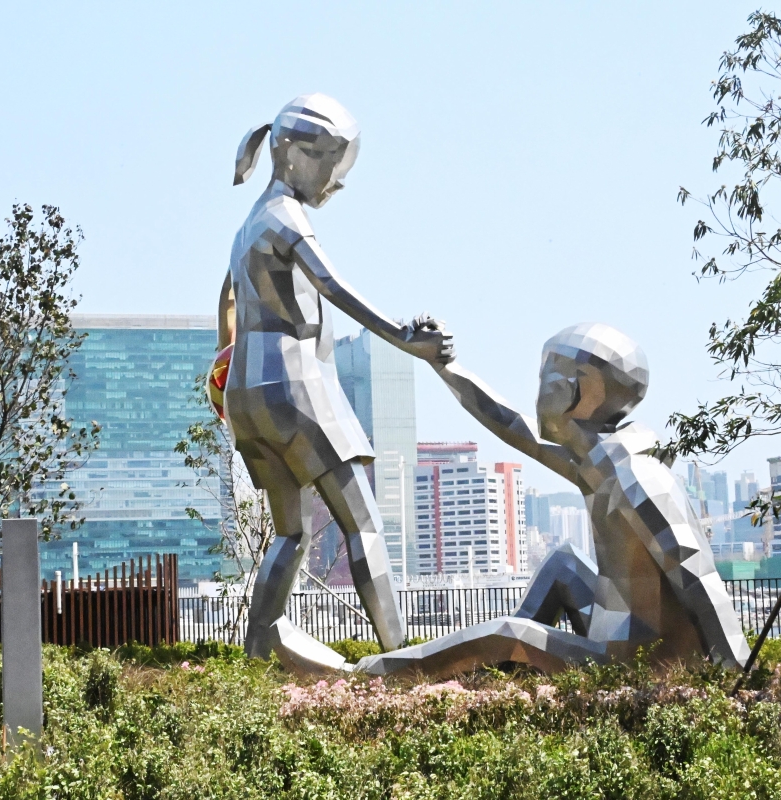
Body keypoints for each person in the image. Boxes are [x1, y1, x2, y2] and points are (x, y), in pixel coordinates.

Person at [357, 323, 751, 678]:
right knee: (564, 564)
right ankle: (509, 679)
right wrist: (444, 366)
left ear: (574, 387)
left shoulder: (636, 475)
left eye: (545, 373)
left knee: (509, 633)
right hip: (613, 634)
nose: (538, 390)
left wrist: (741, 678)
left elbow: (696, 573)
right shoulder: (597, 465)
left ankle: (369, 676)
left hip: (637, 662)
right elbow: (510, 425)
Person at [220, 93, 454, 662]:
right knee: (363, 522)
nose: (337, 180)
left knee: (291, 532)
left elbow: (227, 299)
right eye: (330, 161)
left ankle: (257, 654)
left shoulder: (247, 225)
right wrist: (405, 338)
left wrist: (222, 370)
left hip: (249, 393)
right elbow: (332, 285)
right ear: (294, 154)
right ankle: (402, 661)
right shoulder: (286, 215)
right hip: (295, 381)